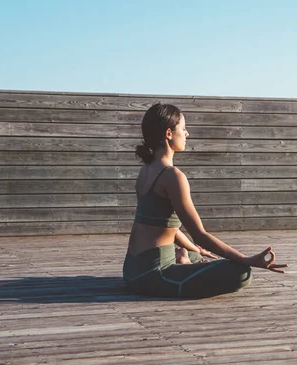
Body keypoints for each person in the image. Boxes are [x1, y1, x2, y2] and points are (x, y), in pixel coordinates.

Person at [123, 103, 288, 298]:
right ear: (169, 133)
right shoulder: (173, 176)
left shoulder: (145, 170)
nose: (187, 134)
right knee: (241, 273)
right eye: (183, 129)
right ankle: (183, 264)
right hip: (154, 275)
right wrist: (247, 259)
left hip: (132, 270)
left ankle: (186, 259)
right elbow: (200, 235)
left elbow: (167, 228)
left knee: (198, 253)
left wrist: (194, 249)